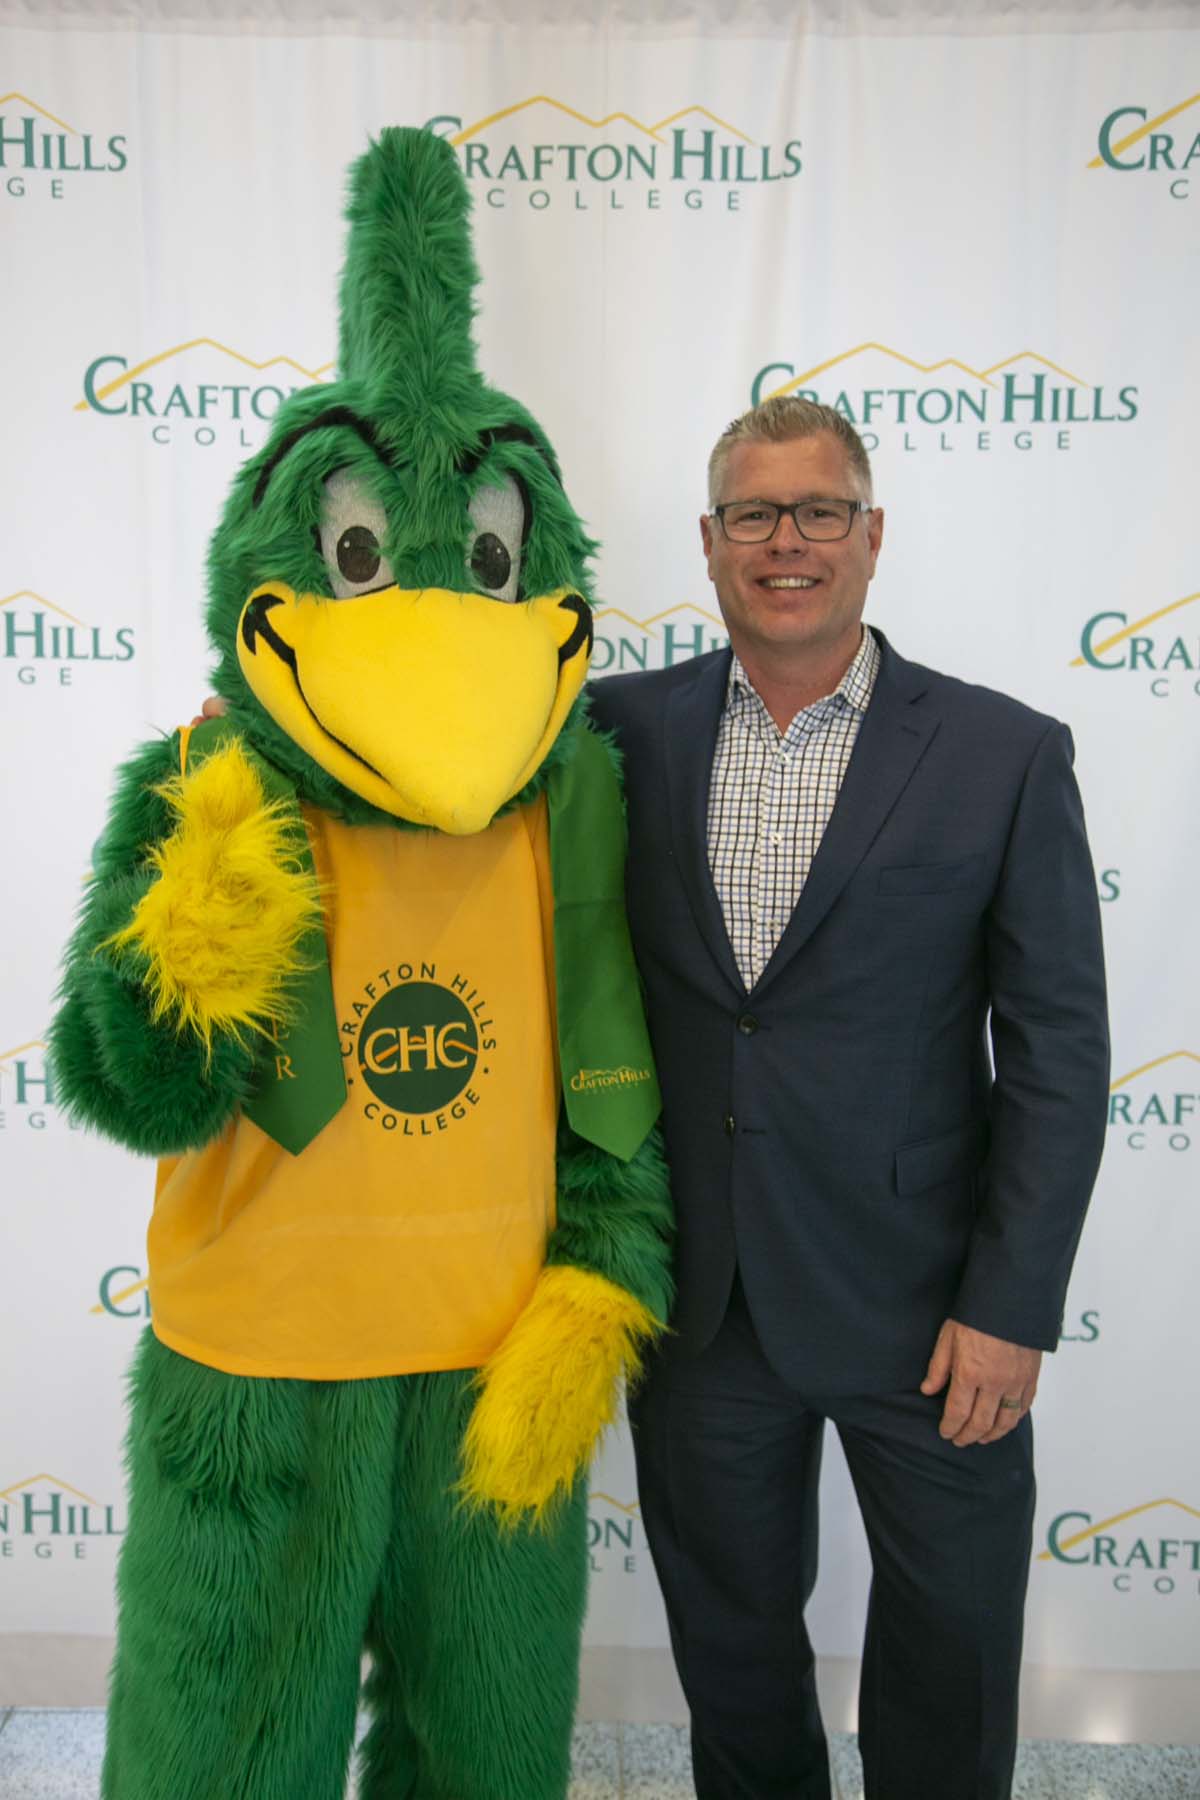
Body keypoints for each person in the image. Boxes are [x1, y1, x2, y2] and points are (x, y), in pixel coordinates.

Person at [588, 396, 1109, 1800]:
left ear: (872, 537)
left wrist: (1010, 1306)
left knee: (950, 1652)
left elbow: (1057, 1052)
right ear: (709, 543)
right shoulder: (613, 735)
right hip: (705, 1307)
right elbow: (436, 818)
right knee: (734, 1652)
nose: (788, 542)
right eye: (754, 514)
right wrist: (244, 754)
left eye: (821, 511)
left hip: (933, 1315)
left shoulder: (1003, 755)